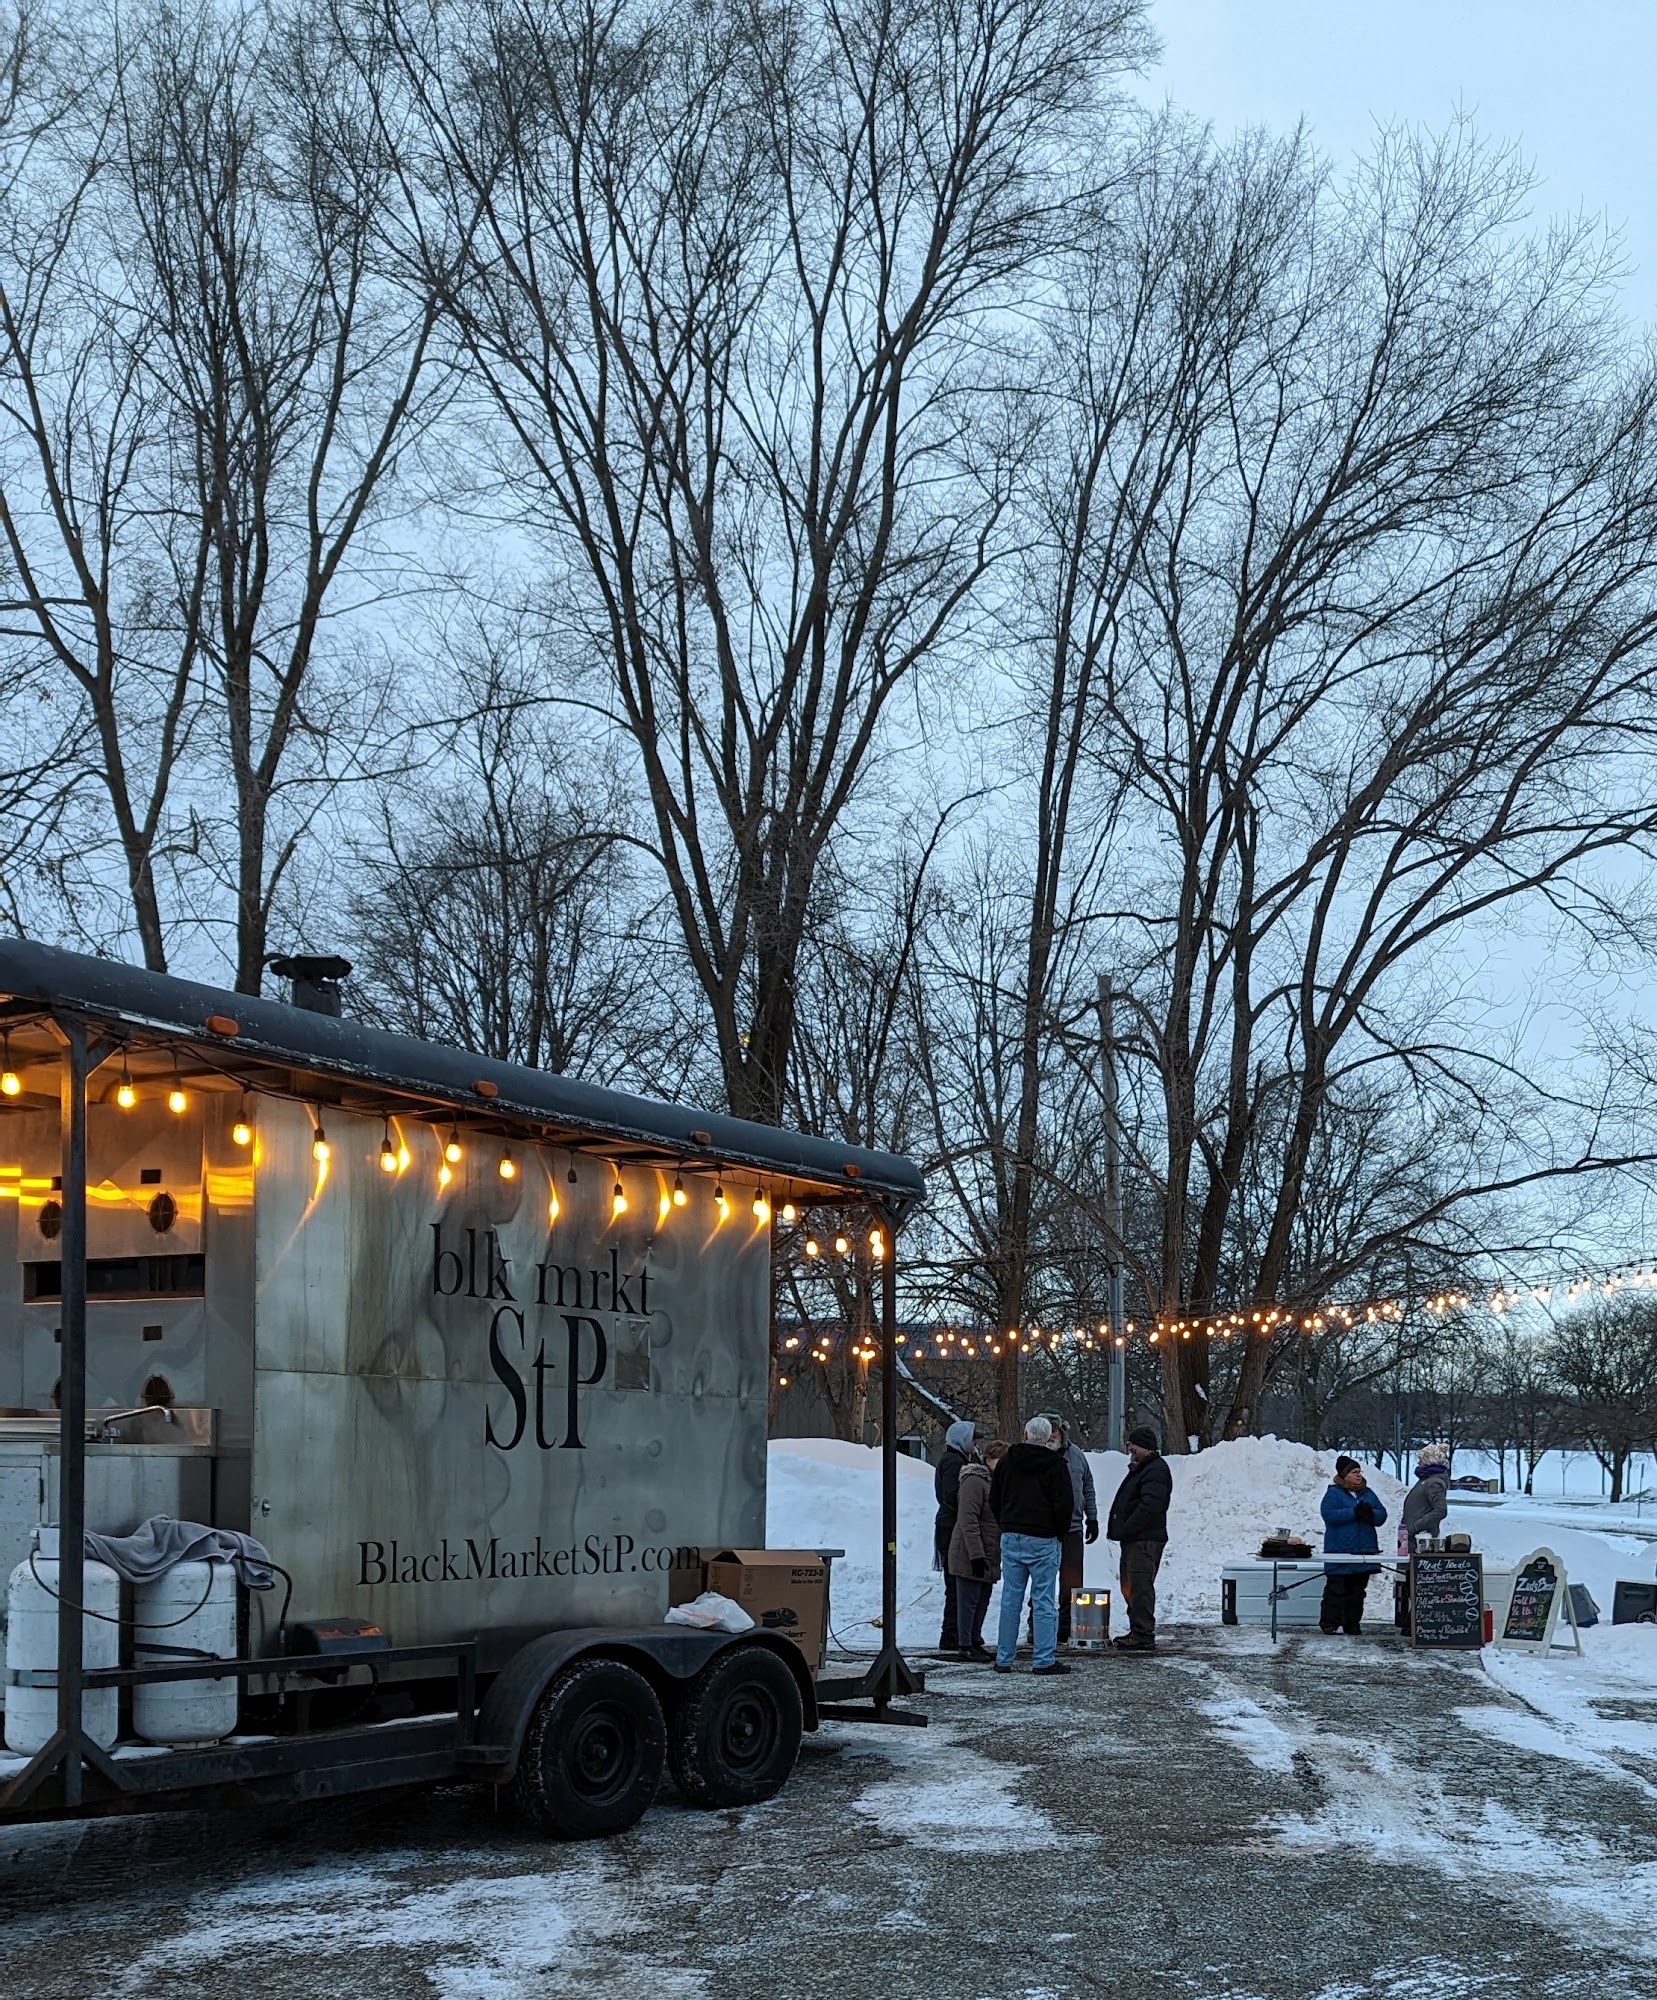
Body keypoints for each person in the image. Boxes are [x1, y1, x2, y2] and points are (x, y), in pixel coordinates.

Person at [989, 1415, 1074, 1676]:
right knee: (1044, 1601)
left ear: (1025, 1435)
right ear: (1049, 1438)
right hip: (1044, 1539)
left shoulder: (1007, 1461)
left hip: (1012, 1535)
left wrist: (1006, 1523)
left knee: (1010, 1599)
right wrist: (1058, 1533)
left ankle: (1004, 1658)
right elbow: (1065, 1505)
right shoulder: (1056, 1465)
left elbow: (995, 1498)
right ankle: (1043, 1660)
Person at [1106, 1425, 1172, 1652]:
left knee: (1140, 1586)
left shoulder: (1155, 1470)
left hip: (1144, 1540)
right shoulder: (1146, 1468)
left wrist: (1127, 1528)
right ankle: (1138, 1630)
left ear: (1145, 1447)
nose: (1129, 1448)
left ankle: (1143, 1633)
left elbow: (1150, 1507)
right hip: (1137, 1538)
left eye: (1133, 1444)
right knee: (1131, 1586)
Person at [948, 1440, 1006, 1660]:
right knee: (968, 1600)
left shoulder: (996, 1482)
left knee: (982, 1599)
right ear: (989, 1460)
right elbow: (968, 1520)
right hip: (970, 1551)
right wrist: (976, 1555)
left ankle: (974, 1639)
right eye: (1000, 1460)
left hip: (989, 1549)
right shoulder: (974, 1481)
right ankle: (965, 1644)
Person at [1320, 1455, 1388, 1634]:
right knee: (1336, 1591)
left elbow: (1382, 1515)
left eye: (1359, 1472)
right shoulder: (1334, 1493)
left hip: (1364, 1552)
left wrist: (1370, 1514)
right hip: (1339, 1552)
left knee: (1357, 1592)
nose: (1359, 1475)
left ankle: (1352, 1623)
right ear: (1344, 1475)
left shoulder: (1367, 1493)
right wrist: (1354, 1512)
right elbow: (1329, 1515)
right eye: (1354, 1472)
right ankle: (1330, 1623)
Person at [934, 1418, 976, 1649]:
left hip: (949, 1524)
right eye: (972, 1440)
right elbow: (952, 1495)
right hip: (951, 1526)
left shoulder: (953, 1460)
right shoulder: (954, 1462)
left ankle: (954, 1632)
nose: (974, 1445)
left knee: (955, 1582)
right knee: (955, 1582)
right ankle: (951, 1634)